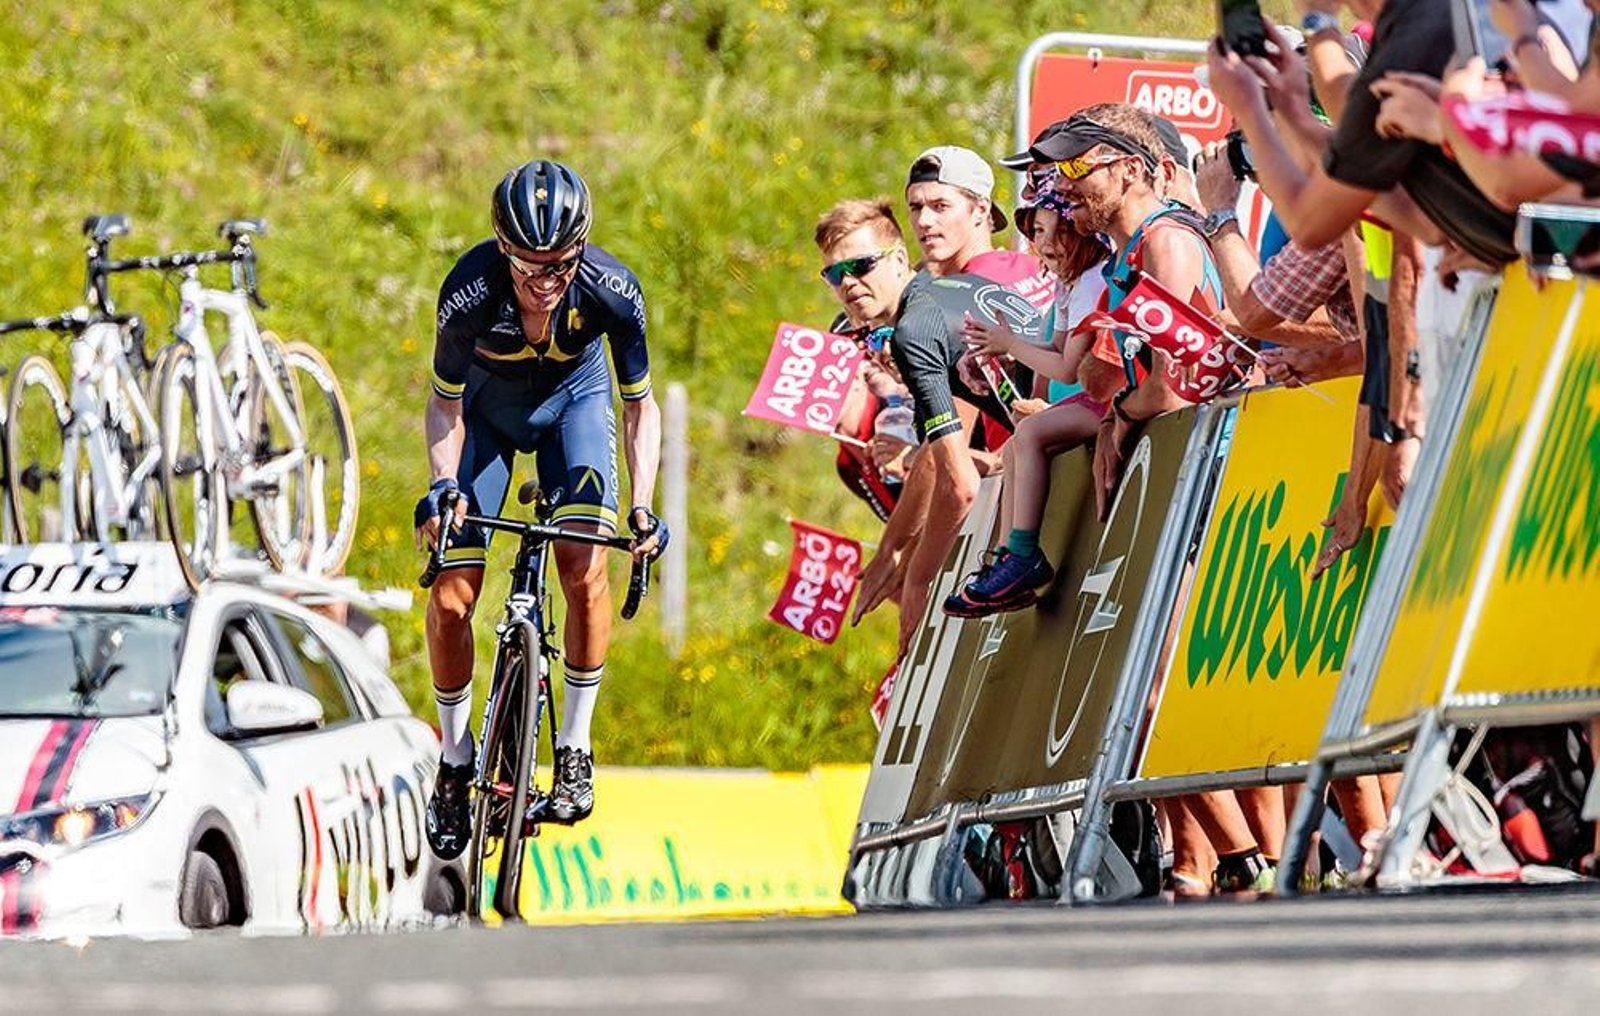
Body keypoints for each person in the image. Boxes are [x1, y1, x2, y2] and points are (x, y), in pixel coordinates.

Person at [414, 159, 668, 858]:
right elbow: (444, 404)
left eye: (561, 262)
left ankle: (575, 746)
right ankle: (456, 757)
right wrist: (445, 486)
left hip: (574, 407)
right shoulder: (469, 291)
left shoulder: (613, 291)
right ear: (503, 248)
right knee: (451, 595)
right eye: (531, 265)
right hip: (486, 417)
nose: (547, 279)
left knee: (584, 563)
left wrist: (641, 508)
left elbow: (637, 409)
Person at [851, 146, 1050, 653]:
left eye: (940, 206)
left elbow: (949, 473)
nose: (923, 220)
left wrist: (908, 567)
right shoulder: (1018, 266)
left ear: (981, 210)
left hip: (1036, 490)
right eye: (915, 207)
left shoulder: (943, 305)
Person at [813, 199, 917, 522]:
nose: (847, 283)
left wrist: (915, 460)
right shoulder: (849, 461)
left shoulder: (929, 320)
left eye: (861, 265)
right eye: (834, 274)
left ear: (900, 258)